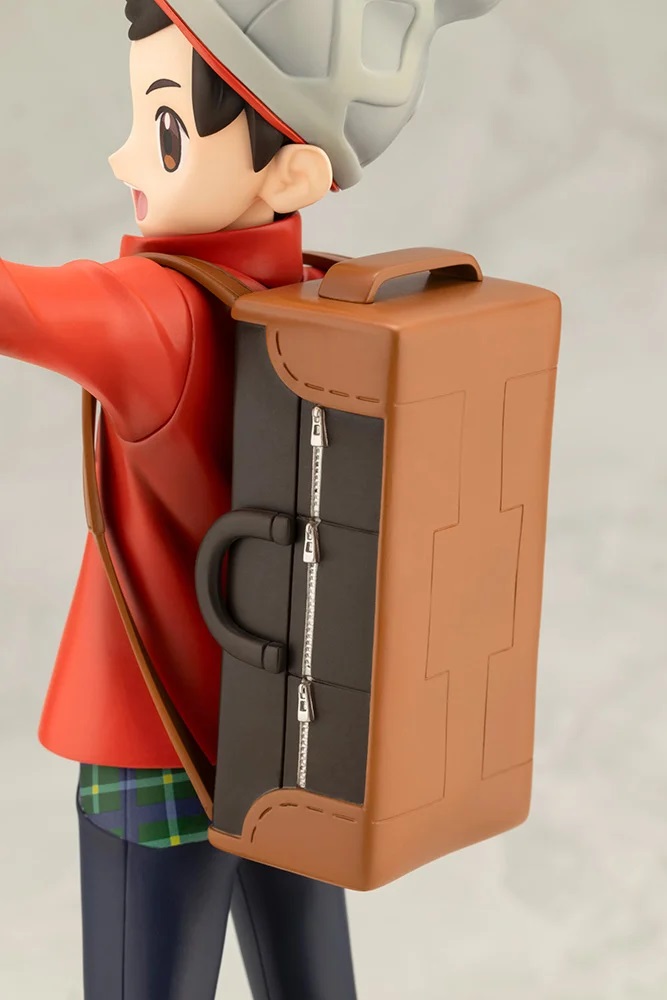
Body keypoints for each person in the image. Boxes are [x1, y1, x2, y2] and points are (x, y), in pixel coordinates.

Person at [0, 1, 501, 996]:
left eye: (165, 128)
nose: (125, 159)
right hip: (295, 725)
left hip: (156, 734)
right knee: (310, 975)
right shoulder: (326, 302)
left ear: (294, 172)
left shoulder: (157, 314)